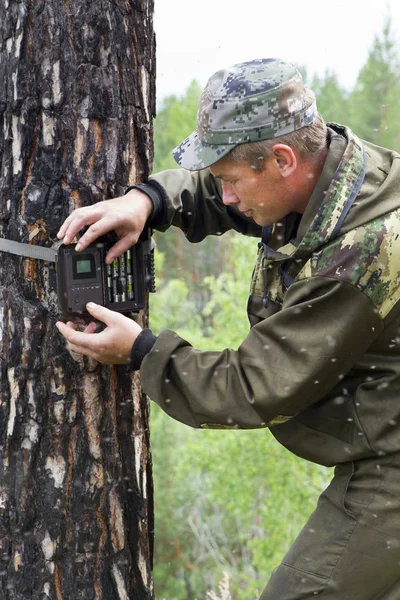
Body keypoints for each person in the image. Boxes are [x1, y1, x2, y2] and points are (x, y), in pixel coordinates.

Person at [56, 58, 400, 599]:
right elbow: (232, 187)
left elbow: (256, 386)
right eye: (222, 180)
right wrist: (149, 199)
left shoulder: (363, 254)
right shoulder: (327, 174)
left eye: (232, 181)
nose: (229, 196)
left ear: (284, 159)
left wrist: (143, 352)